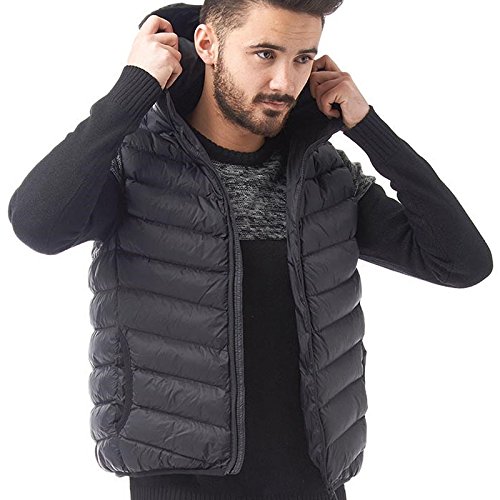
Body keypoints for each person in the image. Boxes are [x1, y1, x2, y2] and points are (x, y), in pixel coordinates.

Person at [7, 2, 493, 500]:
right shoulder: (137, 165)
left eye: (303, 58)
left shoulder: (324, 177)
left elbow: (462, 263)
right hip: (182, 484)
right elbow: (38, 224)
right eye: (265, 54)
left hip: (315, 483)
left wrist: (369, 127)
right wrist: (134, 89)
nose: (285, 82)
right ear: (206, 44)